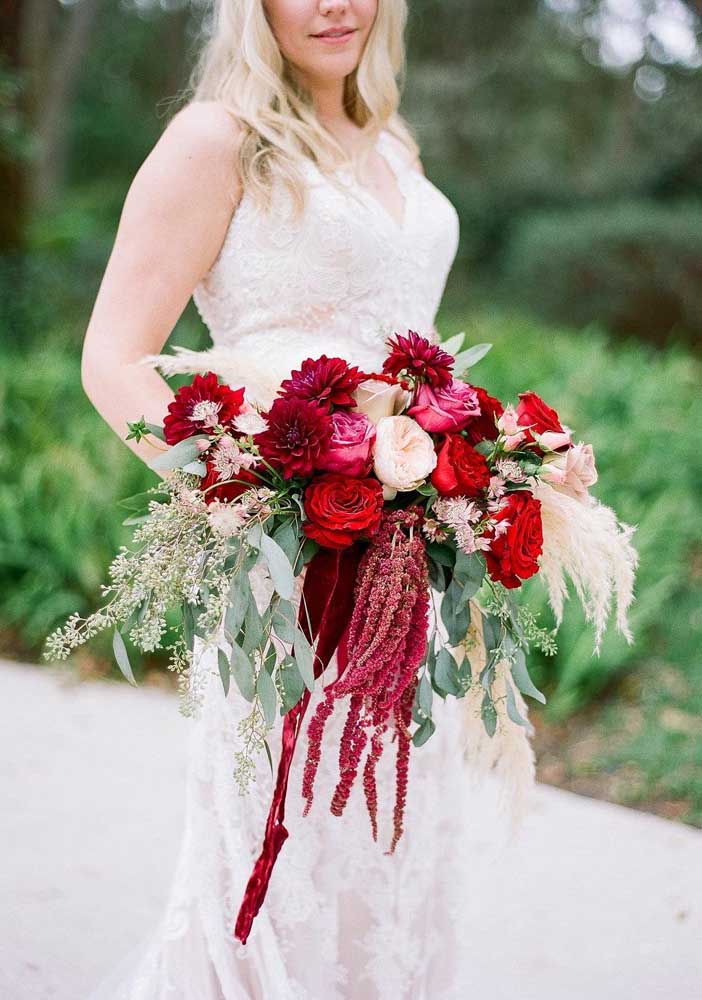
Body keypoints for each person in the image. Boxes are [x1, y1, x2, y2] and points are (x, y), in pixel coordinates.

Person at [82, 1, 535, 996]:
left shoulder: (392, 138)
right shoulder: (216, 140)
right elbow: (113, 360)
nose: (334, 4)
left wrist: (480, 463)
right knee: (274, 854)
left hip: (412, 571)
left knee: (391, 859)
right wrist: (238, 490)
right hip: (291, 572)